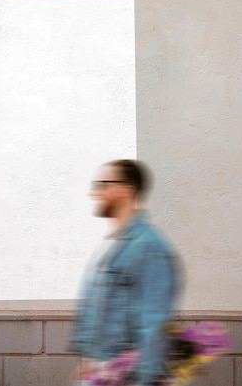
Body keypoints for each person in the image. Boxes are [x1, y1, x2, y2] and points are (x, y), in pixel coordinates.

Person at [69, 159, 182, 386]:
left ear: (125, 189)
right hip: (106, 371)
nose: (94, 192)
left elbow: (153, 324)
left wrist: (147, 378)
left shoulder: (148, 247)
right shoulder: (116, 243)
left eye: (102, 184)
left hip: (128, 376)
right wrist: (90, 360)